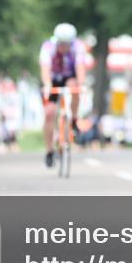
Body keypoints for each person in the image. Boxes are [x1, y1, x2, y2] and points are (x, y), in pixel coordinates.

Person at [39, 23, 88, 168]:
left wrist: (82, 83)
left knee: (75, 87)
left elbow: (80, 68)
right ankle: (49, 151)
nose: (64, 47)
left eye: (67, 44)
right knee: (49, 113)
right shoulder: (48, 47)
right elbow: (45, 68)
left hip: (69, 77)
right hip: (53, 79)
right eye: (61, 44)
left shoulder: (78, 47)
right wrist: (47, 85)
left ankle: (73, 119)